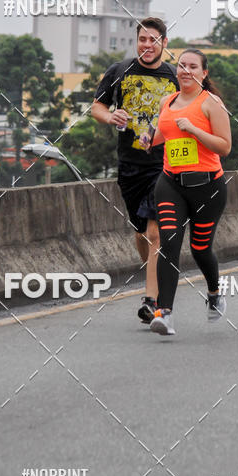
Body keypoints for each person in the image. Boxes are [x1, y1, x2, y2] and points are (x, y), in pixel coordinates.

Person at [91, 18, 178, 323]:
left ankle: (151, 299)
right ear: (137, 41)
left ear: (164, 44)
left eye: (153, 40)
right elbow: (96, 107)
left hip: (164, 165)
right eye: (143, 39)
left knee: (156, 232)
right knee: (142, 233)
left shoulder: (174, 76)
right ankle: (154, 277)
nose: (147, 45)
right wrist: (110, 116)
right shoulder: (119, 71)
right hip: (130, 166)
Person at [142, 49, 232, 336]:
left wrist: (194, 129)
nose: (186, 70)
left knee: (200, 249)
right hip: (170, 184)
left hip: (208, 188)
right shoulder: (166, 102)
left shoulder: (211, 104)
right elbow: (161, 136)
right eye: (182, 65)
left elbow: (224, 147)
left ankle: (215, 292)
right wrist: (146, 139)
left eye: (193, 66)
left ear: (204, 73)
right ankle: (164, 313)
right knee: (169, 243)